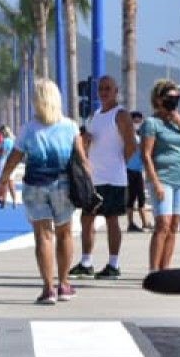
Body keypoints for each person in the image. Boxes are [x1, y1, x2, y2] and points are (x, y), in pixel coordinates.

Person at [0, 77, 87, 304]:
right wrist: (90, 184)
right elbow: (82, 159)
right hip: (63, 186)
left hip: (35, 186)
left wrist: (3, 180)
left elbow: (14, 157)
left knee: (44, 236)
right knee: (65, 233)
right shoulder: (70, 126)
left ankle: (48, 288)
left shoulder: (28, 129)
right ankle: (64, 284)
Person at [71, 74, 135, 278]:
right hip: (93, 178)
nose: (104, 92)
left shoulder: (121, 115)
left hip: (114, 178)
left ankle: (114, 264)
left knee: (111, 220)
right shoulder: (95, 115)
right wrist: (86, 141)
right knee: (86, 218)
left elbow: (131, 144)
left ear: (116, 91)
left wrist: (119, 164)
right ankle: (86, 261)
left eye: (108, 88)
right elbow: (87, 144)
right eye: (101, 89)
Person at [140, 78, 180, 272]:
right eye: (170, 97)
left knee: (174, 224)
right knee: (163, 224)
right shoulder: (152, 123)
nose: (174, 101)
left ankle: (165, 268)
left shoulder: (178, 122)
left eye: (177, 97)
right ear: (159, 99)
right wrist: (156, 183)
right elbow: (145, 155)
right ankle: (153, 270)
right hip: (162, 177)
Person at [124, 107, 150, 233]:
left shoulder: (139, 135)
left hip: (138, 169)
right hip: (129, 169)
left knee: (140, 196)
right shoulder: (128, 135)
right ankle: (133, 223)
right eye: (135, 120)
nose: (138, 122)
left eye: (140, 120)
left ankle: (144, 222)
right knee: (133, 197)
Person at [0, 124, 17, 207]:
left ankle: (2, 200)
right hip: (12, 162)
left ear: (3, 132)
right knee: (11, 182)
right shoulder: (13, 140)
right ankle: (14, 201)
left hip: (3, 162)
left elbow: (2, 153)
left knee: (3, 182)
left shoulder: (5, 141)